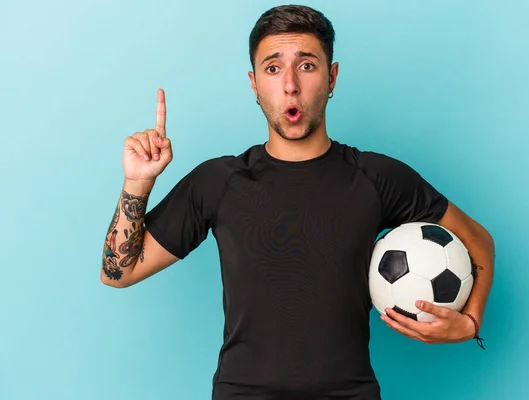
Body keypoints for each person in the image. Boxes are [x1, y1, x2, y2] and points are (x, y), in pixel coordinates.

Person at [100, 5, 495, 399]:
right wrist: (137, 182)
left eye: (306, 66)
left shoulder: (376, 178)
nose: (290, 84)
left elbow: (477, 240)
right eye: (273, 68)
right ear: (254, 84)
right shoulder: (218, 182)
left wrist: (470, 322)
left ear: (332, 77)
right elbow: (118, 273)